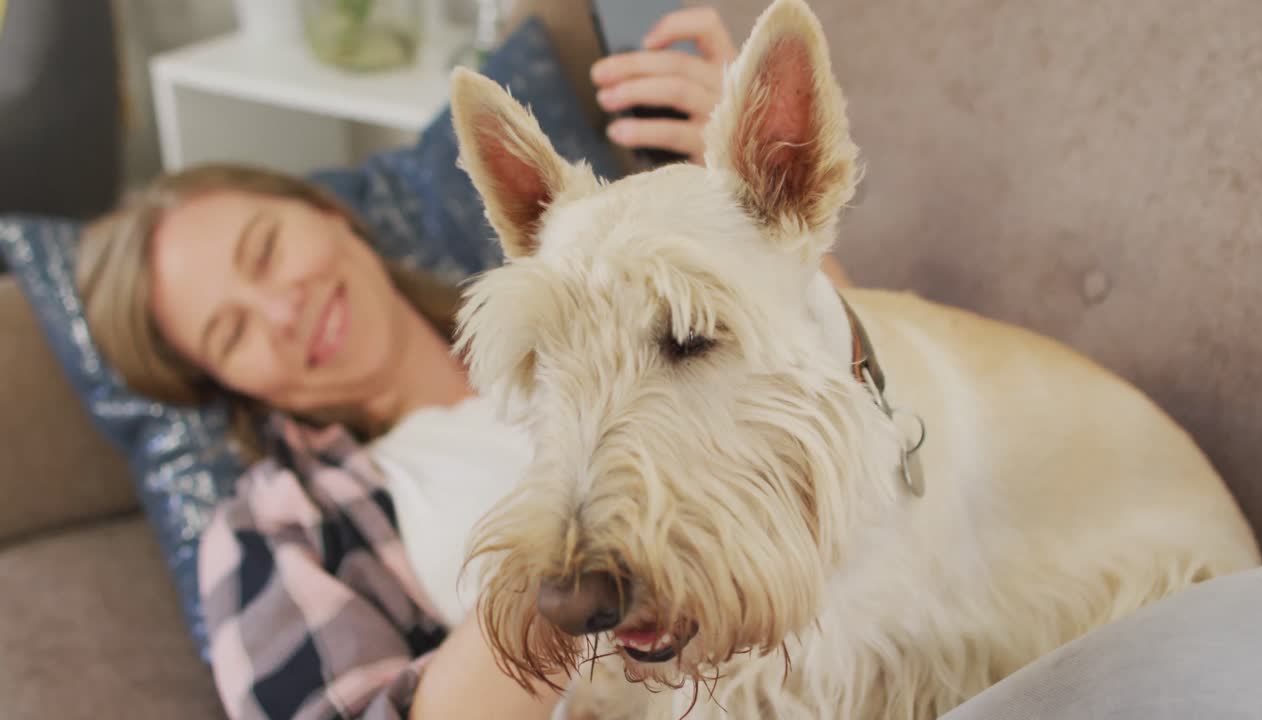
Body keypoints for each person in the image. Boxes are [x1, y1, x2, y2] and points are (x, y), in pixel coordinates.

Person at [77, 7, 851, 719]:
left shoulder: (621, 284)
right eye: (230, 333)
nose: (283, 311)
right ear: (225, 386)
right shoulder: (275, 524)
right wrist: (568, 579)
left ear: (329, 215)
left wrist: (754, 228)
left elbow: (869, 396)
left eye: (268, 251)